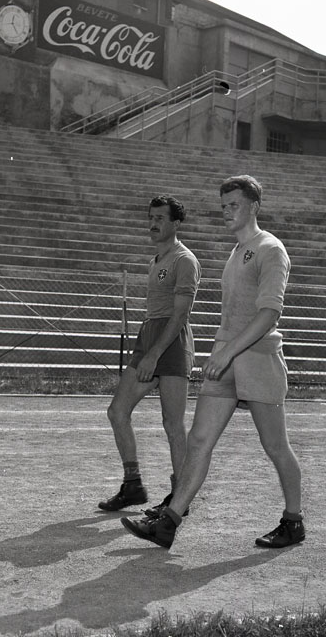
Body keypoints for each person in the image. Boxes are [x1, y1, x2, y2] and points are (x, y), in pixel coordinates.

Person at [121, 175, 304, 549]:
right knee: (199, 439)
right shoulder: (237, 252)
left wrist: (227, 350)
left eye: (234, 205)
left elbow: (270, 313)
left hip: (259, 360)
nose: (226, 212)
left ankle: (293, 520)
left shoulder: (270, 249)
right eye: (223, 206)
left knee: (275, 446)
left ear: (254, 206)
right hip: (226, 362)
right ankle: (169, 522)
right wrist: (223, 351)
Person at [98, 195, 201, 515]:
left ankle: (179, 497)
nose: (153, 223)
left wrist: (154, 355)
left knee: (173, 423)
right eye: (151, 217)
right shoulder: (155, 260)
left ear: (175, 224)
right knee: (117, 411)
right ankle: (133, 485)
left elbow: (180, 314)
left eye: (160, 218)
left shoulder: (185, 260)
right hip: (150, 336)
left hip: (171, 343)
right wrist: (148, 348)